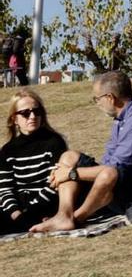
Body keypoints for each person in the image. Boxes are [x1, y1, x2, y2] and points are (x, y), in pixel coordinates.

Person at [31, 72, 132, 231]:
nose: (97, 104)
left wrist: (71, 174)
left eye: (97, 99)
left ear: (110, 98)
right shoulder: (122, 119)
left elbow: (117, 166)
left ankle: (77, 217)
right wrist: (69, 172)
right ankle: (63, 215)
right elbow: (109, 160)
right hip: (128, 182)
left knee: (107, 174)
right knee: (69, 157)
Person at [0, 90, 76, 233]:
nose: (33, 116)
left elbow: (55, 183)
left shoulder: (54, 142)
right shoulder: (7, 150)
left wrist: (30, 210)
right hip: (18, 209)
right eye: (25, 113)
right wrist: (16, 214)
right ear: (14, 119)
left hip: (46, 204)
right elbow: (5, 189)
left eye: (37, 111)